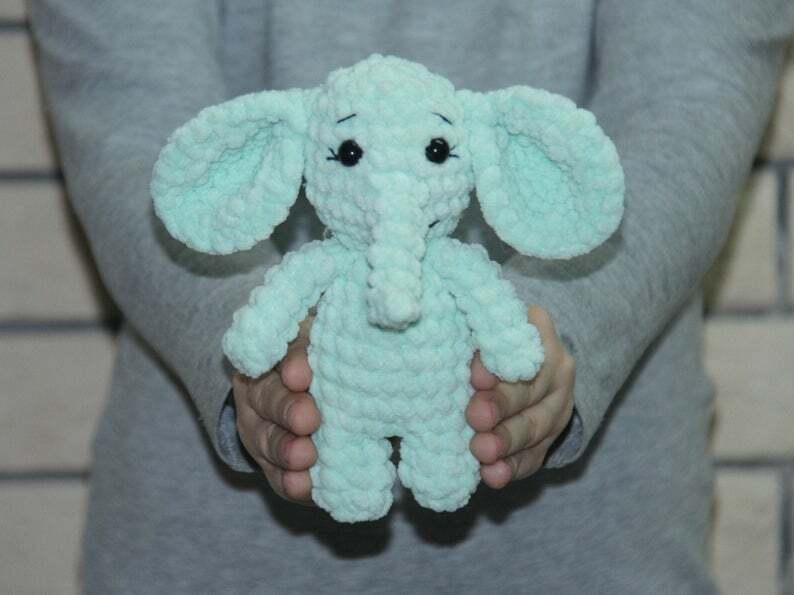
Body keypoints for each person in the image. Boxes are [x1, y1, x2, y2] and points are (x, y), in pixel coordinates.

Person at [29, 1, 792, 592]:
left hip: (592, 547)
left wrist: (544, 332)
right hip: (210, 548)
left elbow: (695, 92)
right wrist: (253, 334)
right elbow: (126, 102)